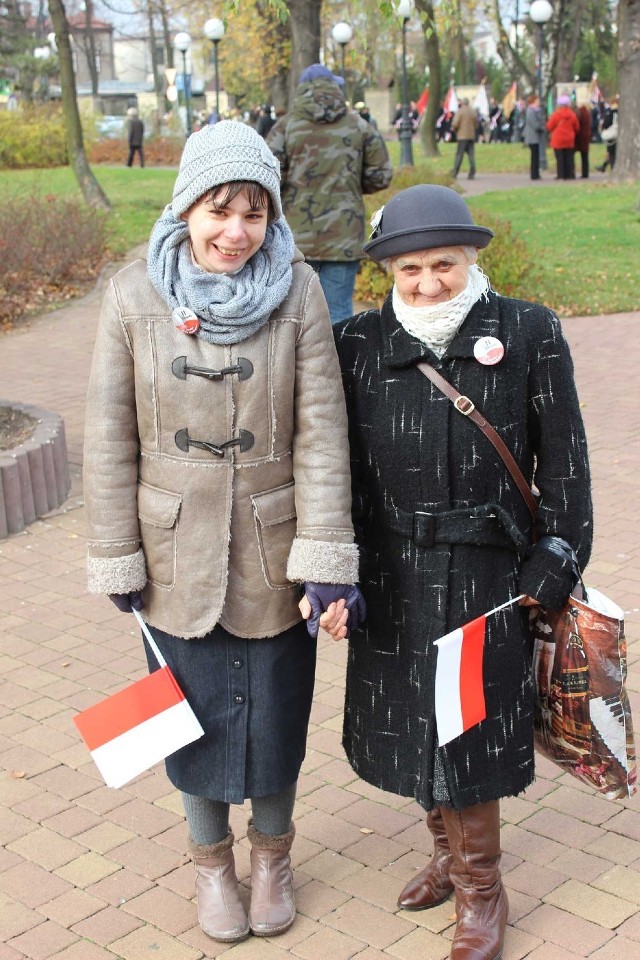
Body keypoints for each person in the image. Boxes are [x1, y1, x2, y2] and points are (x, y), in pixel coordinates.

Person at [83, 121, 365, 944]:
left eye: (254, 213)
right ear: (186, 208)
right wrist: (115, 552)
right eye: (219, 210)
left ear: (273, 218)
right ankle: (212, 866)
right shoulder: (133, 295)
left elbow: (321, 430)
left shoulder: (301, 290)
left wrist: (326, 558)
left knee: (278, 713)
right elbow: (108, 436)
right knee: (186, 711)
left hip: (275, 546)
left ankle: (272, 859)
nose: (235, 232)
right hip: (173, 547)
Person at [325, 184, 592, 960]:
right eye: (409, 269)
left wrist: (557, 560)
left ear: (471, 258)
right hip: (391, 569)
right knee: (412, 720)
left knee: (468, 729)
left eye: (444, 264)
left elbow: (566, 466)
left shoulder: (529, 331)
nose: (428, 283)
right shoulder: (358, 343)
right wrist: (332, 570)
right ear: (385, 271)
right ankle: (443, 854)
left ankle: (482, 890)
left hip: (487, 577)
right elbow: (333, 469)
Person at [268, 63, 392, 324]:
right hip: (343, 236)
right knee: (338, 312)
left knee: (293, 314)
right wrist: (349, 185)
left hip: (296, 236)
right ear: (335, 88)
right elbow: (381, 175)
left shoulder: (285, 126)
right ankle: (340, 366)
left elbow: (269, 177)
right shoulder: (359, 125)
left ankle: (294, 366)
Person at [546, 94, 579, 179]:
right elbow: (577, 127)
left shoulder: (556, 114)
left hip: (558, 139)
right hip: (569, 138)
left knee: (559, 158)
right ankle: (570, 174)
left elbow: (549, 126)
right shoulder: (572, 114)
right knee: (569, 158)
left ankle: (561, 174)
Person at [451, 98, 477, 180]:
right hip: (471, 136)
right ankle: (472, 172)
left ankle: (455, 172)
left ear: (462, 103)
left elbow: (455, 123)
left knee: (459, 155)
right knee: (471, 155)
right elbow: (476, 124)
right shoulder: (473, 112)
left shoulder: (460, 111)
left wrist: (455, 131)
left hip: (462, 136)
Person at [523, 92, 545, 180]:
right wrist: (541, 127)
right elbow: (534, 123)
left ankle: (536, 173)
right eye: (537, 101)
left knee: (536, 156)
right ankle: (534, 174)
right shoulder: (530, 111)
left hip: (536, 137)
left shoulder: (537, 110)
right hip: (532, 137)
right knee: (534, 156)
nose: (538, 102)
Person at [596, 96, 618, 173]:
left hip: (612, 135)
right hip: (617, 135)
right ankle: (604, 166)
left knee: (611, 153)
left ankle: (611, 168)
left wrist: (603, 128)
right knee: (611, 153)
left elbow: (606, 123)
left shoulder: (611, 112)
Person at [574, 100, 592, 178]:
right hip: (586, 136)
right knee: (585, 156)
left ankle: (572, 172)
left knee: (572, 154)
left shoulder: (580, 113)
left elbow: (577, 124)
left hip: (580, 136)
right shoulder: (587, 113)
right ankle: (585, 173)